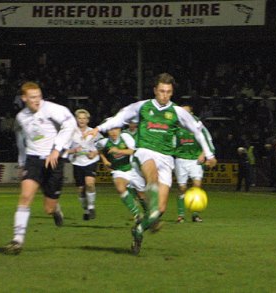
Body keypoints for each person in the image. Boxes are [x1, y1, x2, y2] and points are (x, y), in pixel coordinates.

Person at [86, 73, 217, 255]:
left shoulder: (177, 112)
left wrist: (209, 153)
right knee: (152, 175)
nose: (165, 95)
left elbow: (197, 131)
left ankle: (139, 229)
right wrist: (99, 128)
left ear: (172, 93)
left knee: (159, 211)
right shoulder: (142, 107)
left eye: (168, 92)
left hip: (167, 159)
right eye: (162, 91)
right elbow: (120, 118)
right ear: (155, 90)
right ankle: (148, 206)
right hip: (144, 152)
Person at [5, 81, 76, 255]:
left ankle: (56, 208)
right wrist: (22, 163)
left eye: (38, 96)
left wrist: (57, 149)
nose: (37, 101)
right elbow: (21, 141)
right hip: (33, 160)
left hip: (54, 160)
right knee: (25, 196)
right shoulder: (21, 117)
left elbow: (70, 124)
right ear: (24, 98)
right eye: (32, 98)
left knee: (48, 208)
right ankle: (17, 240)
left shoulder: (53, 109)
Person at [97, 127, 148, 224]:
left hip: (132, 169)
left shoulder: (125, 137)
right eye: (110, 130)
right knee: (120, 187)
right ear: (108, 132)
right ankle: (137, 215)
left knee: (141, 195)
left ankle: (148, 213)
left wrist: (119, 151)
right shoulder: (104, 142)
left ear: (119, 130)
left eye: (115, 129)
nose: (113, 132)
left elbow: (134, 151)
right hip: (118, 171)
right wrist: (104, 160)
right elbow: (98, 148)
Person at [174, 105, 215, 223]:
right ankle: (181, 215)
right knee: (182, 188)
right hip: (181, 159)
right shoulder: (175, 126)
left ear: (191, 114)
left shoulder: (198, 124)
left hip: (195, 160)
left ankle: (195, 214)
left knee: (197, 186)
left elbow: (208, 139)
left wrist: (204, 153)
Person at [65, 109, 101, 220]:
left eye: (84, 118)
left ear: (88, 120)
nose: (82, 120)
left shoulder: (93, 132)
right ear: (76, 119)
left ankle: (91, 207)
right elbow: (64, 150)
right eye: (79, 118)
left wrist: (95, 152)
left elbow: (103, 145)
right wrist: (73, 150)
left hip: (90, 161)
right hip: (77, 162)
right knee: (81, 190)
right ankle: (85, 210)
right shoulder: (71, 133)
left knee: (89, 183)